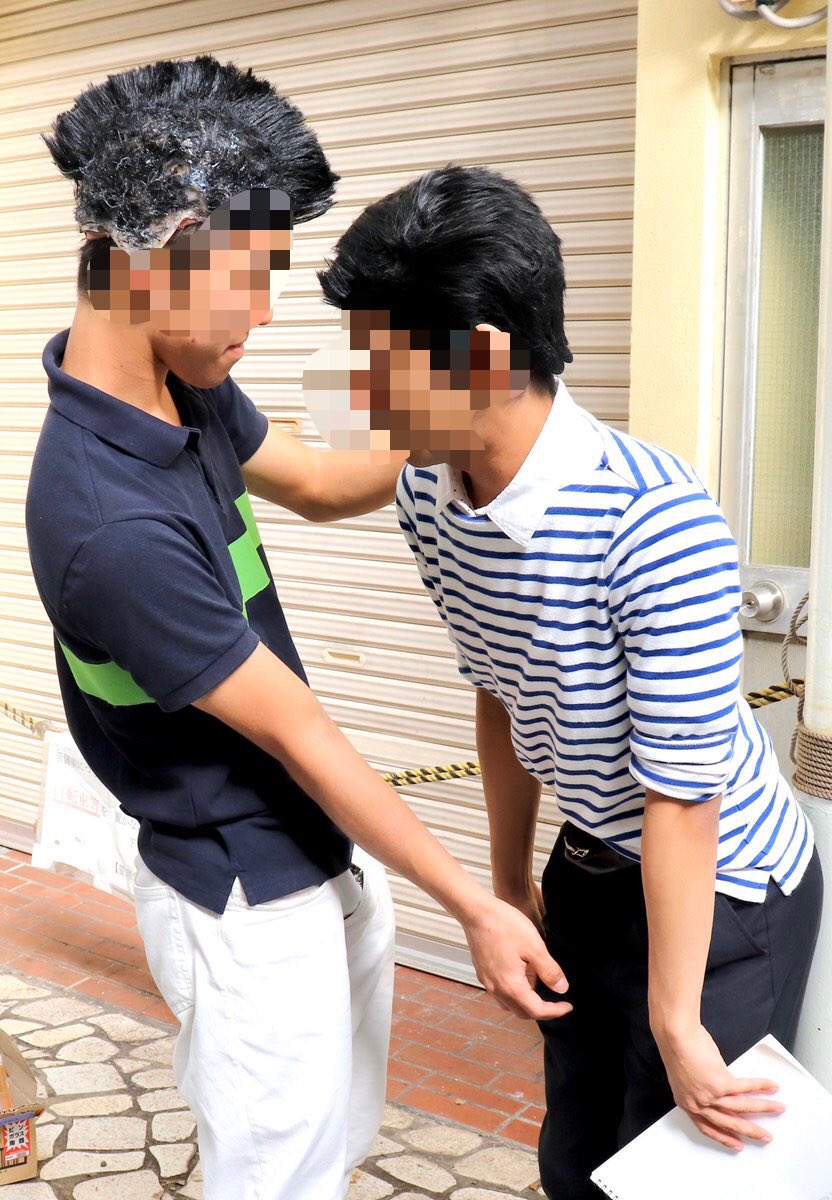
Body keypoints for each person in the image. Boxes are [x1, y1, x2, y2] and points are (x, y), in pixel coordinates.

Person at [25, 63, 570, 1200]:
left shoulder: (178, 385)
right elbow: (305, 736)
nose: (266, 317)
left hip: (313, 853)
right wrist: (477, 903)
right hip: (241, 897)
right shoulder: (108, 524)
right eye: (256, 277)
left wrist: (460, 408)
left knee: (332, 1144)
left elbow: (320, 484)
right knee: (276, 1180)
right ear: (163, 255)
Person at [314, 163, 825, 1199]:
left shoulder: (655, 521)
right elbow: (500, 688)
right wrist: (508, 883)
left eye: (381, 364)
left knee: (683, 1169)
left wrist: (677, 1021)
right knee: (576, 1158)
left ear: (482, 359)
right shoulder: (431, 492)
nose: (360, 396)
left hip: (721, 891)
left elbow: (683, 793)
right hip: (589, 866)